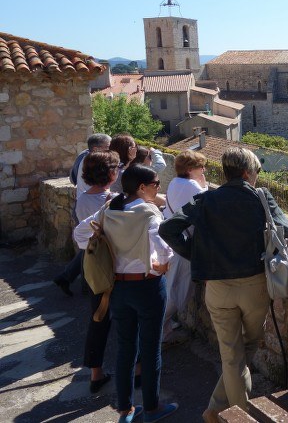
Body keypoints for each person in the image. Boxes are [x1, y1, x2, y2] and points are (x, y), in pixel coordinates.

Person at [159, 148, 288, 423]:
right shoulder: (261, 197)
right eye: (257, 172)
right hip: (254, 284)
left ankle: (216, 410)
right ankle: (239, 417)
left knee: (231, 355)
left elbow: (167, 228)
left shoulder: (206, 199)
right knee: (249, 343)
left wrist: (195, 255)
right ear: (246, 173)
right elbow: (285, 231)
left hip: (217, 288)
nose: (257, 177)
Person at [74, 165, 179, 423]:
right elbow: (164, 247)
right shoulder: (149, 213)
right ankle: (152, 408)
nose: (158, 188)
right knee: (151, 347)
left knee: (125, 347)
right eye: (155, 184)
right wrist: (162, 263)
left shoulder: (109, 209)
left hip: (117, 288)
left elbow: (79, 234)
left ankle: (126, 410)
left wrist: (103, 242)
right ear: (142, 188)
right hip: (147, 286)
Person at [74, 150, 119, 394]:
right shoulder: (113, 199)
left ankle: (95, 373)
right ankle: (134, 370)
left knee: (98, 318)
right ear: (111, 174)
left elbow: (83, 239)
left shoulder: (82, 199)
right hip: (115, 266)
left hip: (93, 264)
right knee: (125, 320)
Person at [54, 133, 112, 297]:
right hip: (91, 205)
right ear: (96, 148)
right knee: (91, 247)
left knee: (89, 246)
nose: (110, 151)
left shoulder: (82, 157)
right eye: (107, 148)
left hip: (83, 203)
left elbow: (72, 178)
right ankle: (88, 286)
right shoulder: (93, 162)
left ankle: (67, 278)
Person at [161, 150, 208, 343]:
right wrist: (204, 187)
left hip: (173, 242)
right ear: (190, 169)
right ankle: (155, 328)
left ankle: (164, 329)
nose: (204, 169)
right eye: (200, 167)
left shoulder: (174, 182)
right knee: (178, 291)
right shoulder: (192, 186)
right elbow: (205, 205)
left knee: (172, 287)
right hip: (184, 245)